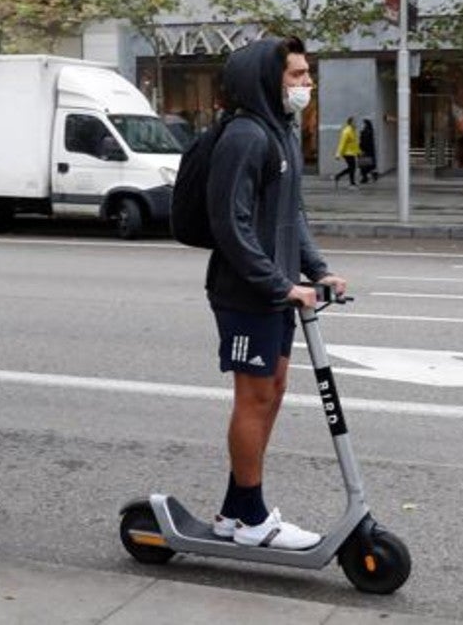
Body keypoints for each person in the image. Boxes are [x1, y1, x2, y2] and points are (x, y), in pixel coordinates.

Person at [205, 36, 348, 550]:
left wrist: (317, 271)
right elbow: (230, 224)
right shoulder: (245, 136)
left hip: (279, 291)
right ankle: (251, 520)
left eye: (307, 74)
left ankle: (234, 512)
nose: (306, 84)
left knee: (274, 391)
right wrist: (280, 283)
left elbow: (294, 215)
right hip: (246, 292)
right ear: (268, 80)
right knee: (255, 396)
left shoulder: (281, 132)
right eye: (296, 75)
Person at [333, 116, 360, 188]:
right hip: (347, 153)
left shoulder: (353, 130)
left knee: (352, 168)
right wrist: (338, 154)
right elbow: (342, 143)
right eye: (354, 122)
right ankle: (351, 184)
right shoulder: (347, 131)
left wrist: (358, 152)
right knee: (352, 168)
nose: (356, 123)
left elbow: (354, 143)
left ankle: (338, 176)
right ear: (350, 122)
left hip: (351, 152)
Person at [357, 119, 379, 184]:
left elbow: (364, 142)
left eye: (363, 123)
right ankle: (372, 174)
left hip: (365, 151)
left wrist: (361, 149)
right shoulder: (370, 131)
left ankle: (365, 178)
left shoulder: (366, 132)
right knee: (367, 165)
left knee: (364, 165)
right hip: (369, 151)